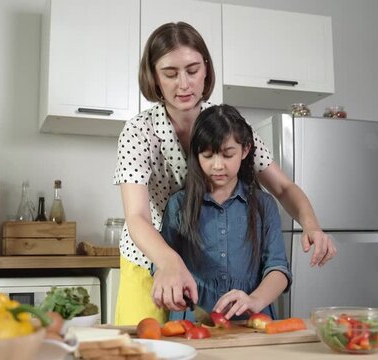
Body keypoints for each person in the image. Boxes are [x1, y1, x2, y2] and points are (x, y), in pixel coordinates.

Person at [113, 21, 335, 325]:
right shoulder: (139, 132)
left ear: (206, 69)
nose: (184, 84)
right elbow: (136, 215)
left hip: (205, 263)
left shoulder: (224, 124)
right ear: (153, 76)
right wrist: (168, 261)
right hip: (150, 258)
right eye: (170, 73)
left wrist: (311, 224)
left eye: (192, 70)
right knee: (144, 347)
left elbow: (282, 188)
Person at [160, 104, 290, 321]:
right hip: (193, 321)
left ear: (245, 150)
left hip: (252, 321)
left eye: (228, 155)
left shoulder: (264, 205)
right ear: (196, 154)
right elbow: (162, 264)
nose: (218, 165)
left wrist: (255, 300)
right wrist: (169, 283)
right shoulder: (178, 205)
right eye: (208, 155)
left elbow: (279, 269)